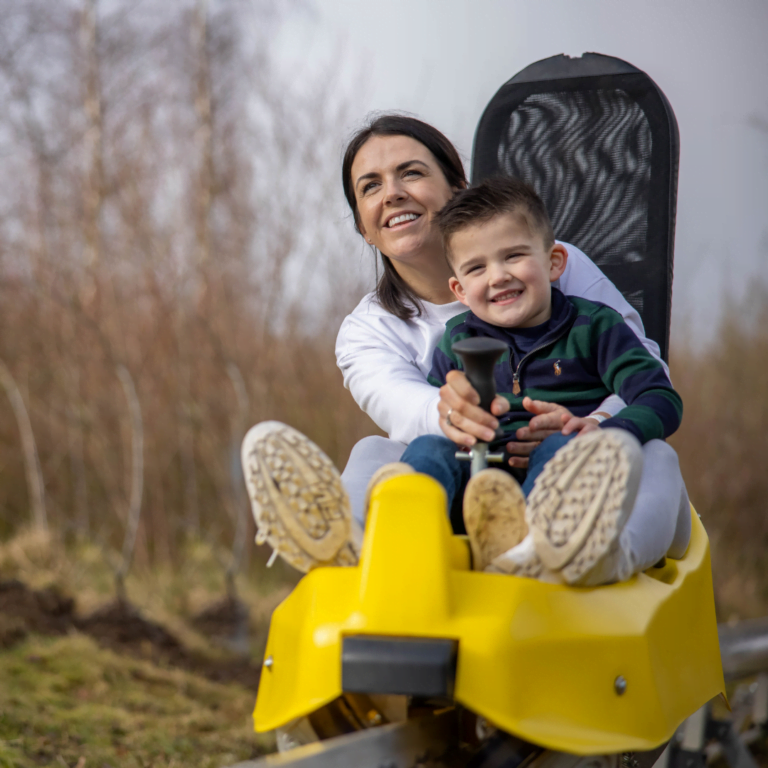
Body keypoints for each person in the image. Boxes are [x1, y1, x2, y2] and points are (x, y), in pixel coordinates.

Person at [241, 113, 691, 579]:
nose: (392, 192)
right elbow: (409, 412)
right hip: (473, 481)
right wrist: (453, 410)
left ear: (457, 187)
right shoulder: (370, 331)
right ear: (363, 227)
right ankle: (353, 545)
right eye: (370, 186)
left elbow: (649, 377)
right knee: (374, 450)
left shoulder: (557, 267)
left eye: (411, 172)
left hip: (590, 474)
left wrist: (595, 426)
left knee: (652, 453)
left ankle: (594, 554)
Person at [393, 176, 682, 585]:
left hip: (564, 489)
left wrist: (601, 429)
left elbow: (659, 397)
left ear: (554, 263)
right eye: (477, 267)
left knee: (563, 449)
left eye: (513, 256)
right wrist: (456, 426)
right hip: (476, 492)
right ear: (458, 288)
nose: (497, 276)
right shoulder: (458, 339)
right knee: (427, 447)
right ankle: (404, 542)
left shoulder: (595, 327)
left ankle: (533, 550)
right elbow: (442, 416)